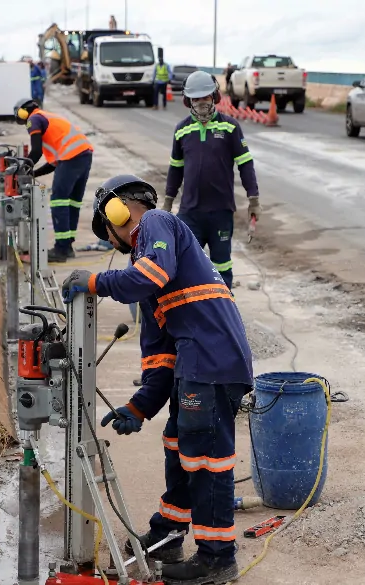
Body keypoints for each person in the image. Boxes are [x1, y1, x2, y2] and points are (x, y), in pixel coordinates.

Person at [58, 174, 253, 585]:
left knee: (206, 460)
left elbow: (149, 275)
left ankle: (218, 557)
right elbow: (160, 355)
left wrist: (94, 282)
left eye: (109, 232)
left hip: (212, 361)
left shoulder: (157, 224)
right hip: (195, 362)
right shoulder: (147, 270)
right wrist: (140, 405)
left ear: (118, 211)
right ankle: (167, 535)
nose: (114, 244)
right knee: (179, 445)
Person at [162, 70, 260, 290]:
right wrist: (168, 202)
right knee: (186, 265)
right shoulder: (181, 130)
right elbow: (175, 169)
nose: (201, 103)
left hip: (221, 212)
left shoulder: (230, 127)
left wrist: (253, 199)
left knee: (222, 266)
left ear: (214, 97)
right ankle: (192, 311)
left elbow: (246, 165)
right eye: (196, 99)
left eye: (205, 97)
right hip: (190, 213)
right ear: (188, 101)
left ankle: (224, 312)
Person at [13, 98, 94, 262]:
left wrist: (22, 170)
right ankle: (67, 245)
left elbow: (36, 152)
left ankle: (61, 249)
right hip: (83, 155)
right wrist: (33, 173)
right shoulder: (48, 118)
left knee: (58, 200)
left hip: (72, 158)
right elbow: (53, 164)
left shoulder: (33, 119)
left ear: (22, 112)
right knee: (72, 202)